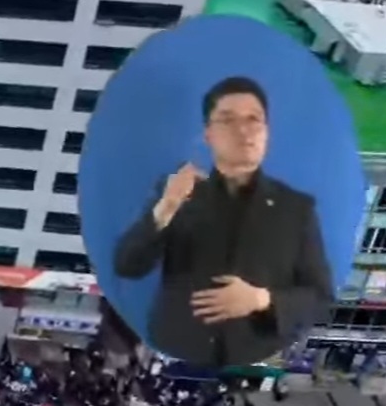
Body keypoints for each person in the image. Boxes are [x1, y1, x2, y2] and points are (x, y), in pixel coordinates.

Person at [112, 75, 334, 367]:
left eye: (254, 119)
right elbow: (127, 266)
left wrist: (262, 300)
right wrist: (166, 207)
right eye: (227, 120)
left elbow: (320, 300)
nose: (243, 131)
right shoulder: (180, 193)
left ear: (267, 132)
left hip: (252, 354)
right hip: (176, 351)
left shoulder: (296, 209)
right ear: (208, 134)